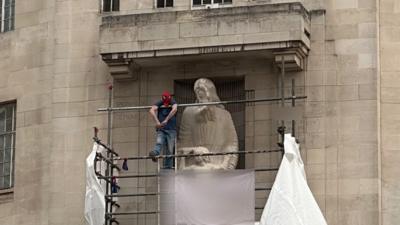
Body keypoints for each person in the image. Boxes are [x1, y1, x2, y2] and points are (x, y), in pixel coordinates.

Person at [178, 78, 238, 170]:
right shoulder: (189, 113)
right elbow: (182, 145)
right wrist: (195, 151)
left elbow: (231, 144)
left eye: (202, 91)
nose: (200, 95)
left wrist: (229, 168)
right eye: (197, 92)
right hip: (195, 168)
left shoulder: (225, 115)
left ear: (211, 92)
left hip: (218, 167)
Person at [149, 91, 178, 169]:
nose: (165, 103)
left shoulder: (172, 101)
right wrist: (157, 122)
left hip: (171, 129)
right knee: (159, 142)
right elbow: (151, 110)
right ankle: (155, 153)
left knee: (170, 148)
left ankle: (168, 166)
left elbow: (174, 109)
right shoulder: (161, 101)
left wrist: (166, 119)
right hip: (161, 129)